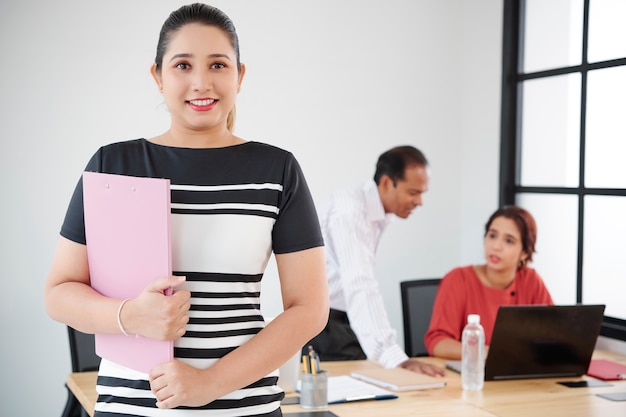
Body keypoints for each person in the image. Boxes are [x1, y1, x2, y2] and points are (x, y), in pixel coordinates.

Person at [44, 3, 329, 416]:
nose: (201, 82)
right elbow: (59, 293)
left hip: (243, 407)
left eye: (217, 64)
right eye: (182, 65)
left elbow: (310, 309)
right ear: (157, 76)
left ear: (239, 75)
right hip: (131, 407)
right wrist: (129, 316)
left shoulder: (276, 170)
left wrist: (209, 384)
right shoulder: (113, 166)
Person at [306, 145, 444, 377]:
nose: (419, 201)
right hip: (326, 327)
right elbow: (359, 282)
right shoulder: (351, 211)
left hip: (344, 321)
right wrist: (393, 355)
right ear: (387, 183)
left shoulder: (375, 211)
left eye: (422, 193)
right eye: (413, 193)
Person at [424, 205, 554, 360]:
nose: (496, 246)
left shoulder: (531, 281)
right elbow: (438, 343)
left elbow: (553, 333)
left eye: (508, 241)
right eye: (492, 236)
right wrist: (489, 354)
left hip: (517, 376)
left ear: (524, 253)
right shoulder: (458, 279)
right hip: (470, 375)